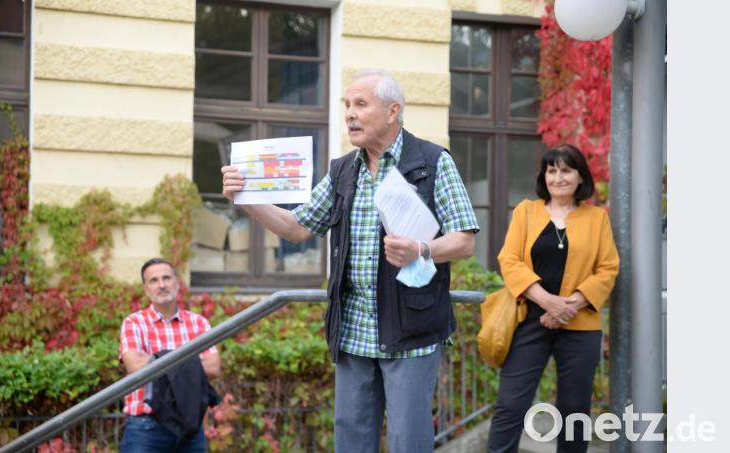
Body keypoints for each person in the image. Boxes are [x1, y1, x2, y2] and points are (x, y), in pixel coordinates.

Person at [221, 69, 479, 453]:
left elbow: (464, 240)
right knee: (352, 443)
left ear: (393, 111)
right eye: (347, 105)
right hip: (353, 332)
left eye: (360, 104)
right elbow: (296, 228)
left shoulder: (432, 161)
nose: (350, 114)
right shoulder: (343, 170)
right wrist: (247, 200)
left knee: (409, 442)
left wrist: (421, 250)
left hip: (411, 331)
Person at [486, 144, 619, 453]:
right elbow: (510, 260)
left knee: (574, 412)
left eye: (566, 170)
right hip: (528, 321)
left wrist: (571, 304)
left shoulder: (597, 218)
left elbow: (608, 267)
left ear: (579, 176)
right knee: (510, 405)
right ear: (544, 176)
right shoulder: (526, 211)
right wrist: (548, 302)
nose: (558, 178)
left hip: (580, 326)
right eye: (552, 170)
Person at [119, 258, 222, 453]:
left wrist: (155, 360)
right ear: (146, 288)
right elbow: (135, 366)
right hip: (146, 428)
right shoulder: (134, 323)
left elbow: (213, 367)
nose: (162, 285)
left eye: (166, 278)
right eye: (154, 280)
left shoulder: (198, 323)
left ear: (177, 282)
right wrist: (191, 363)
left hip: (190, 427)